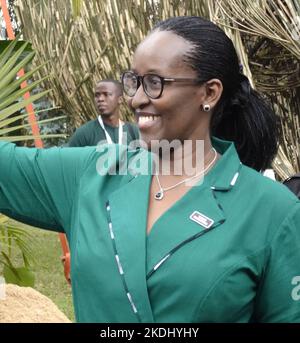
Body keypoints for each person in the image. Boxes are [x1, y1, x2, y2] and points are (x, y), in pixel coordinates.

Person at [0, 16, 300, 323]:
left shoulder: (272, 210)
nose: (136, 99)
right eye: (134, 81)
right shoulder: (94, 174)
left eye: (155, 83)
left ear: (209, 93)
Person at [68, 79, 139, 147]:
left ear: (120, 99)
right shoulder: (84, 133)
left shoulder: (133, 132)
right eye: (97, 95)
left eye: (106, 94)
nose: (100, 99)